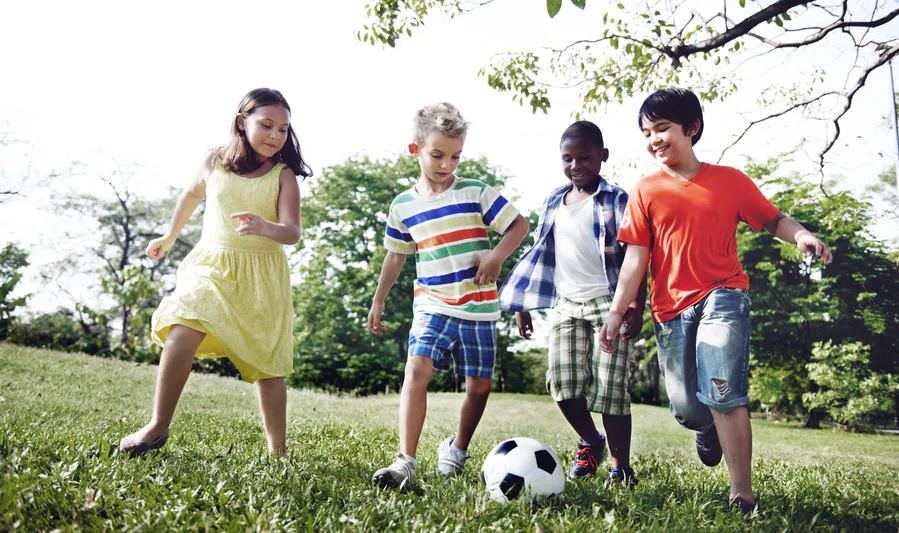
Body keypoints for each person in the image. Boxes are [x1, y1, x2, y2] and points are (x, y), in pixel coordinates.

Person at [599, 87, 833, 512]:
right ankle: (706, 425)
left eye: (663, 128)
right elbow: (636, 258)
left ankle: (742, 495)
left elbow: (772, 219)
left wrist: (801, 234)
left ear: (692, 128)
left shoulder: (729, 181)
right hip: (670, 310)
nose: (654, 139)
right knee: (688, 409)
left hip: (724, 295)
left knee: (725, 392)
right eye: (646, 131)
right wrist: (617, 312)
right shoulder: (645, 191)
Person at [119, 88, 312, 458]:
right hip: (211, 265)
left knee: (268, 366)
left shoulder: (283, 176)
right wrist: (170, 235)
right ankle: (157, 427)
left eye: (283, 129)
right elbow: (191, 195)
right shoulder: (214, 161)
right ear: (242, 122)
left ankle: (279, 452)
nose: (275, 136)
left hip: (260, 277)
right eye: (267, 125)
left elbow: (292, 231)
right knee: (182, 329)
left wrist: (264, 227)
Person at [367, 102, 530, 489]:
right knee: (416, 368)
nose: (447, 164)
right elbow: (395, 256)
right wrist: (378, 299)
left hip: (479, 306)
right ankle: (405, 461)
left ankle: (457, 449)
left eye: (455, 156)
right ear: (416, 150)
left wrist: (496, 256)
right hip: (432, 301)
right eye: (437, 155)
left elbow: (519, 225)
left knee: (479, 387)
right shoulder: (403, 206)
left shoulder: (475, 192)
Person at [498, 121, 645, 487]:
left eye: (584, 157)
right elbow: (539, 253)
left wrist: (636, 308)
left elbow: (638, 257)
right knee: (562, 385)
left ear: (602, 157)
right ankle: (591, 439)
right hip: (566, 304)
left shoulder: (617, 200)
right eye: (568, 158)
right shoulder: (553, 201)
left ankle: (620, 467)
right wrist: (523, 303)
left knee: (612, 391)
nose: (576, 165)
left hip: (610, 303)